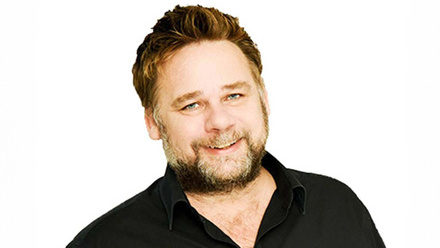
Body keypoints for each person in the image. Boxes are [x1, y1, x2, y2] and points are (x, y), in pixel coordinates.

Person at [67, 5, 385, 248]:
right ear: (154, 123)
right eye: (191, 104)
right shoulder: (105, 242)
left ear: (263, 99)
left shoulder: (338, 207)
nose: (219, 122)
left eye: (233, 95)